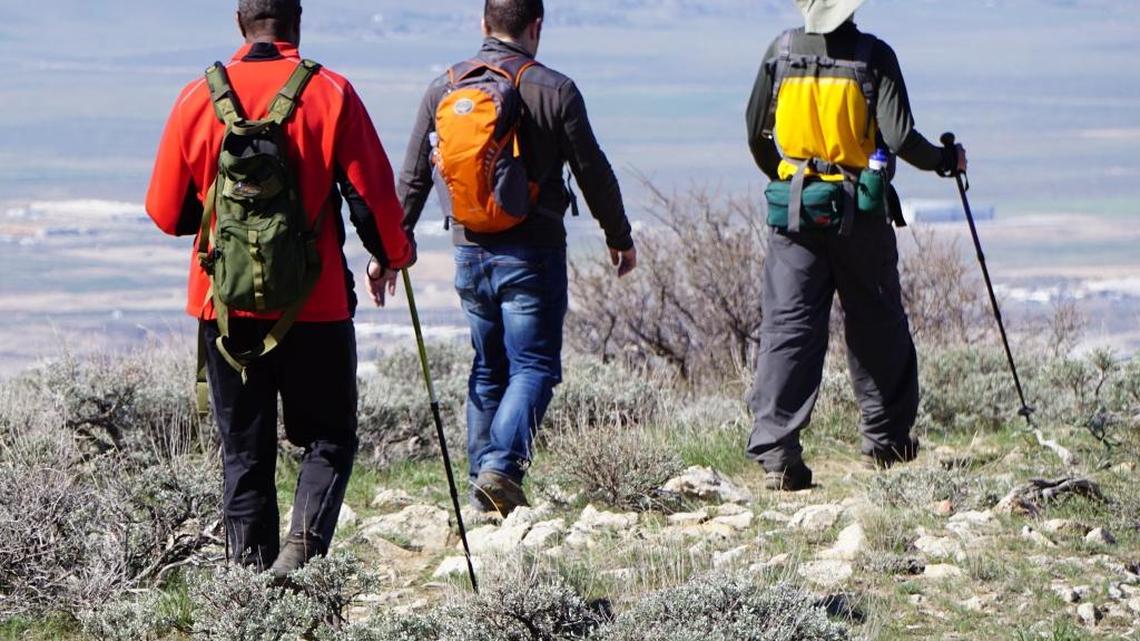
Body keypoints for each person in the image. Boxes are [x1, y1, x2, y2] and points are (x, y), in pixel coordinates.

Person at [145, 0, 415, 575]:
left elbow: (167, 213)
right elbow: (373, 199)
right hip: (314, 306)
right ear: (296, 22)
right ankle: (301, 554)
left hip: (224, 311)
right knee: (329, 438)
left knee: (244, 454)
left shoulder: (198, 97)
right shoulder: (331, 92)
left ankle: (247, 591)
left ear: (240, 24)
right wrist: (394, 256)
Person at [398, 0, 637, 516]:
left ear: (483, 25)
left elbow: (414, 177)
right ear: (536, 27)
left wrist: (390, 252)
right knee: (533, 367)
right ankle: (500, 470)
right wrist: (618, 235)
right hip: (533, 251)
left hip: (469, 251)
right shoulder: (554, 89)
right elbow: (592, 169)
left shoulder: (444, 88)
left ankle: (482, 488)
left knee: (488, 368)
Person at [744, 0, 968, 491]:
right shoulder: (873, 56)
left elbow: (756, 134)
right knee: (876, 322)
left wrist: (791, 180)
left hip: (796, 212)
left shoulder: (780, 52)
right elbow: (901, 137)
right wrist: (944, 160)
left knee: (789, 328)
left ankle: (779, 453)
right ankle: (885, 442)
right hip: (859, 211)